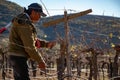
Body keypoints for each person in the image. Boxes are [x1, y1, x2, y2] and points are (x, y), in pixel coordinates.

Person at [8, 3, 55, 80]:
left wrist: (46, 44)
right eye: (39, 14)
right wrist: (40, 60)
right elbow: (29, 46)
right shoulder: (24, 24)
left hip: (16, 56)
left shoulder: (25, 22)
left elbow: (32, 40)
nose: (40, 17)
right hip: (18, 56)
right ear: (33, 12)